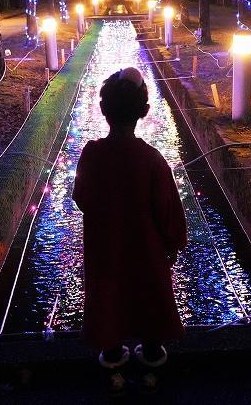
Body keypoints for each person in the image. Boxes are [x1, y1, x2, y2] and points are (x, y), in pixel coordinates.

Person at [73, 66, 188, 394]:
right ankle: (152, 359)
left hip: (106, 250)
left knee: (109, 299)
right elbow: (168, 210)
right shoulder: (152, 160)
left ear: (103, 109)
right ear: (145, 111)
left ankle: (112, 359)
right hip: (147, 252)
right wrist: (173, 243)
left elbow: (82, 198)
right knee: (149, 299)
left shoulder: (92, 155)